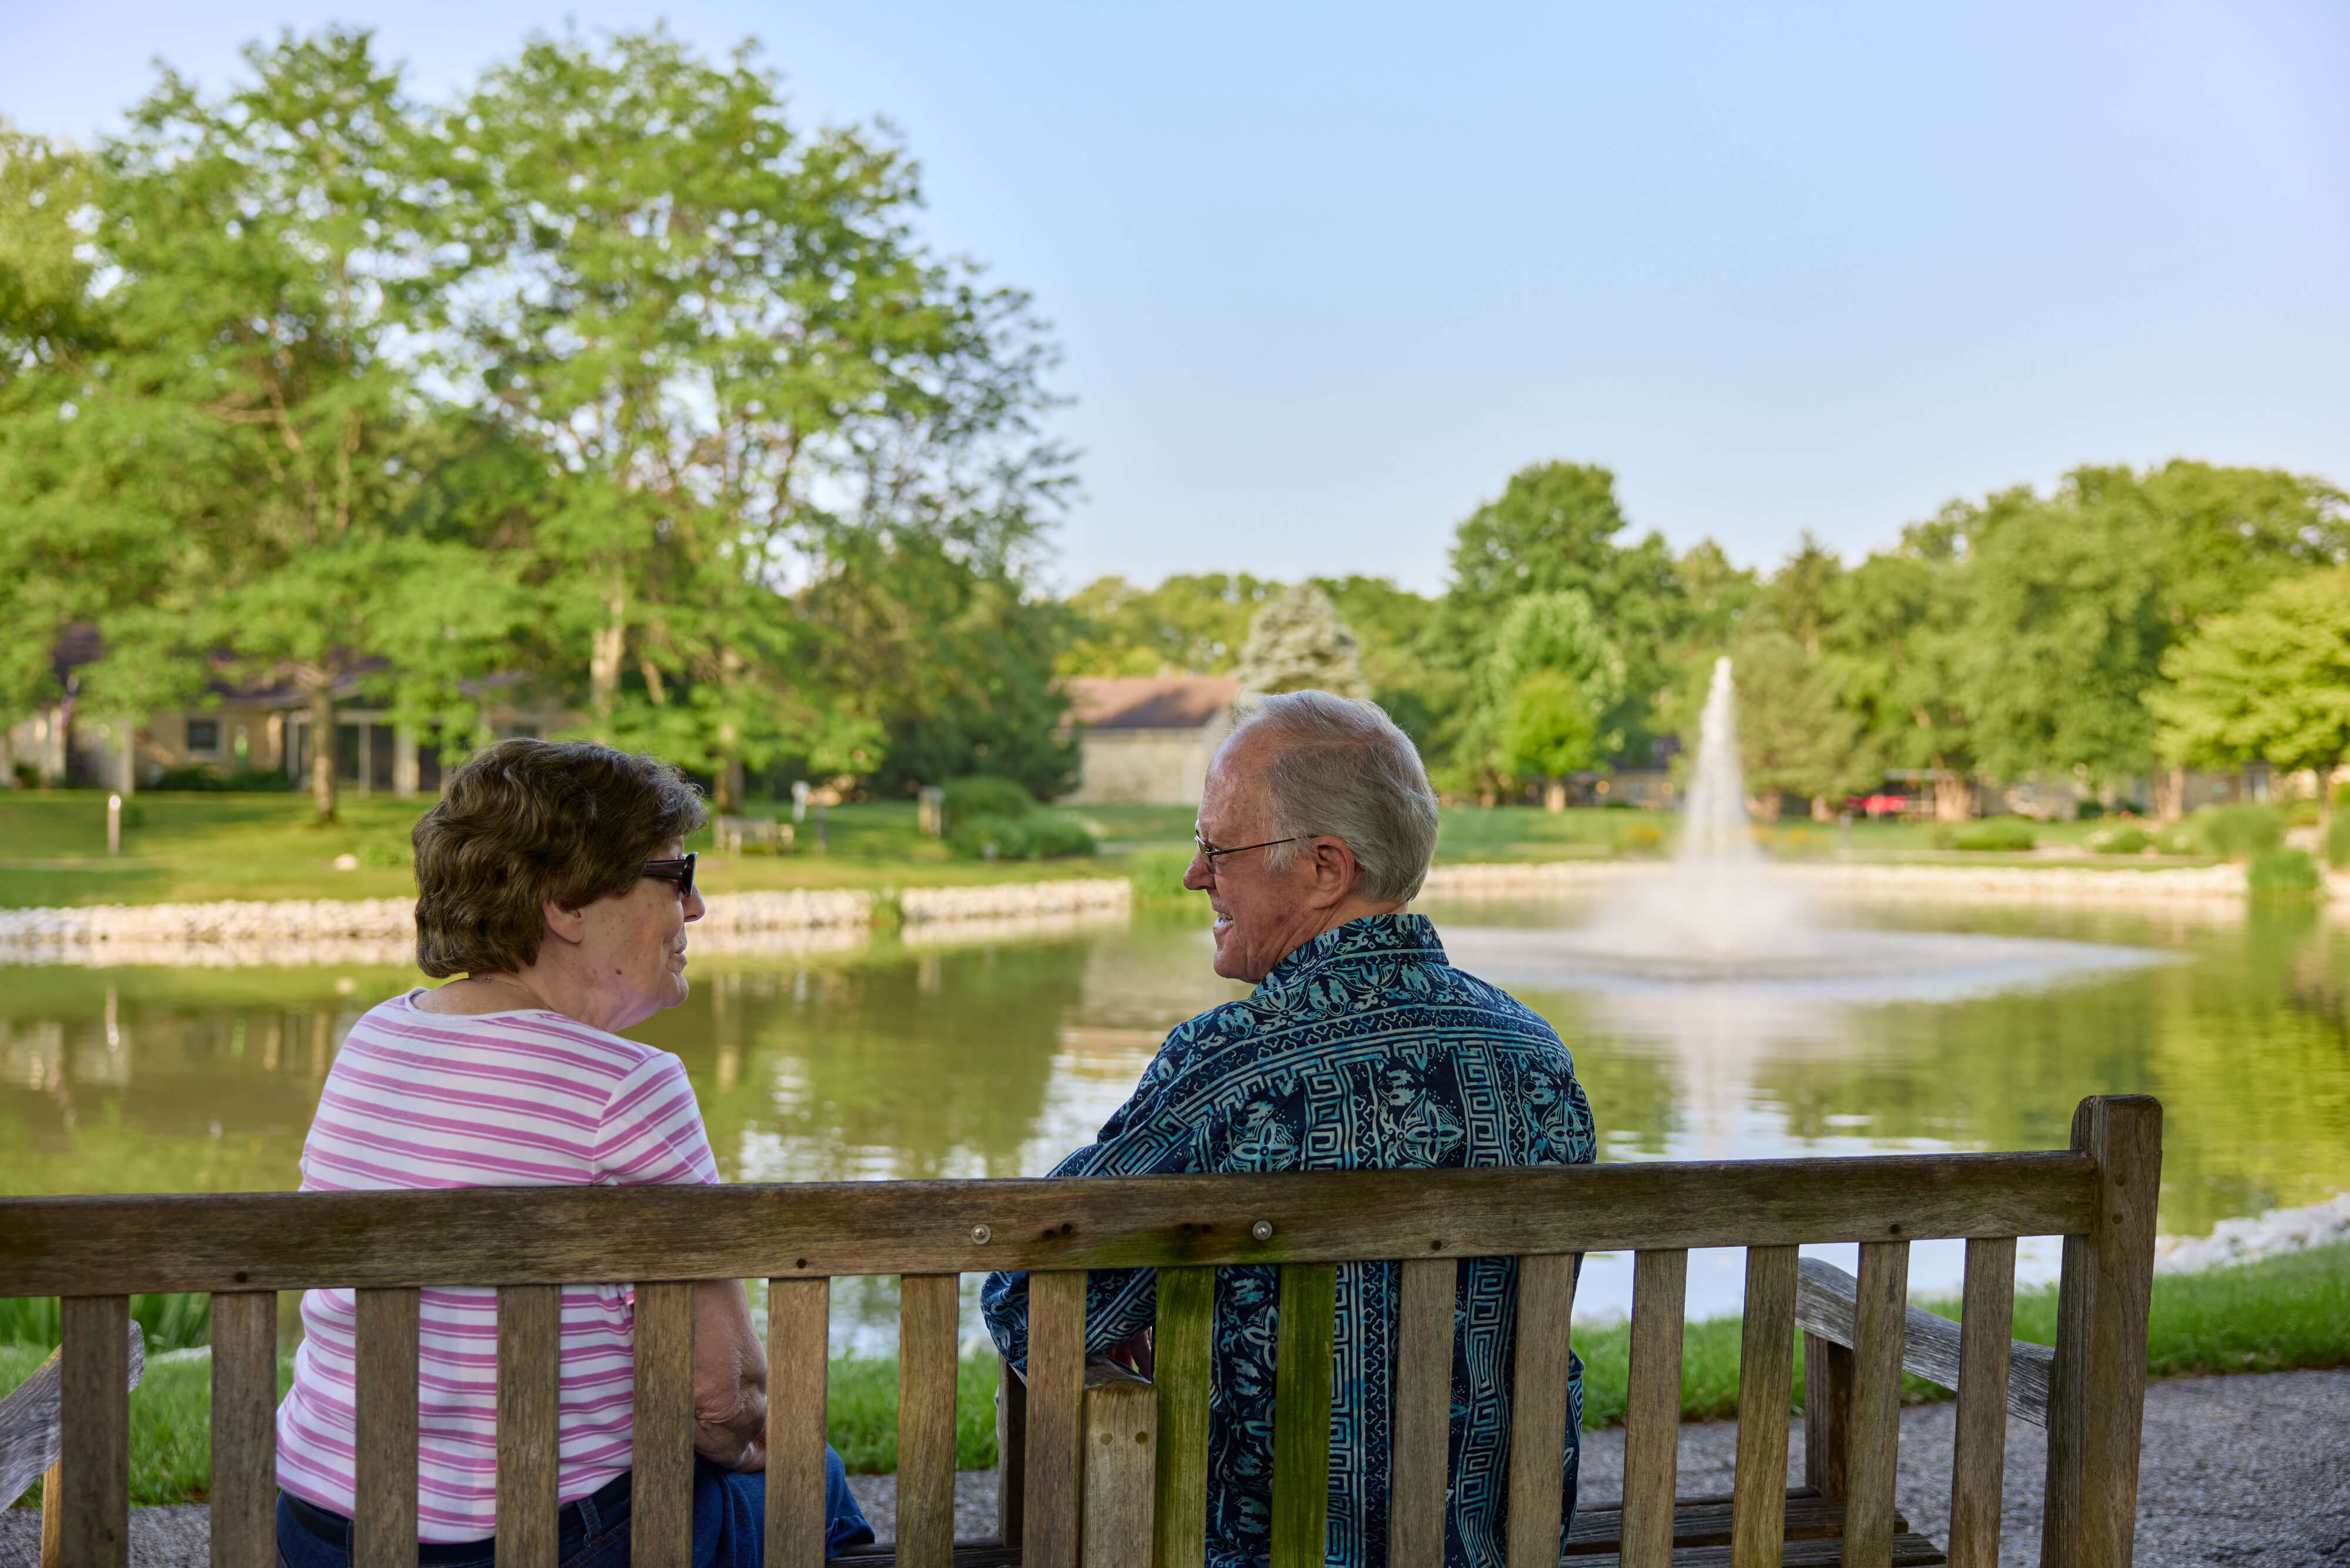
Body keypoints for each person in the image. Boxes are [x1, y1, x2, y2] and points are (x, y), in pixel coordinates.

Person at [981, 692, 1595, 1568]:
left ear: (1324, 869)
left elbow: (1032, 1301)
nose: (1195, 876)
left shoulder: (1228, 1068)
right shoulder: (1539, 1062)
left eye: (1216, 849)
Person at [274, 739, 871, 1568]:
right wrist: (757, 1448)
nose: (694, 907)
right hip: (545, 1542)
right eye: (674, 874)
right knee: (818, 1482)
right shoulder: (627, 1085)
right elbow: (724, 1403)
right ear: (565, 903)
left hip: (324, 1530)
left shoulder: (375, 1038)